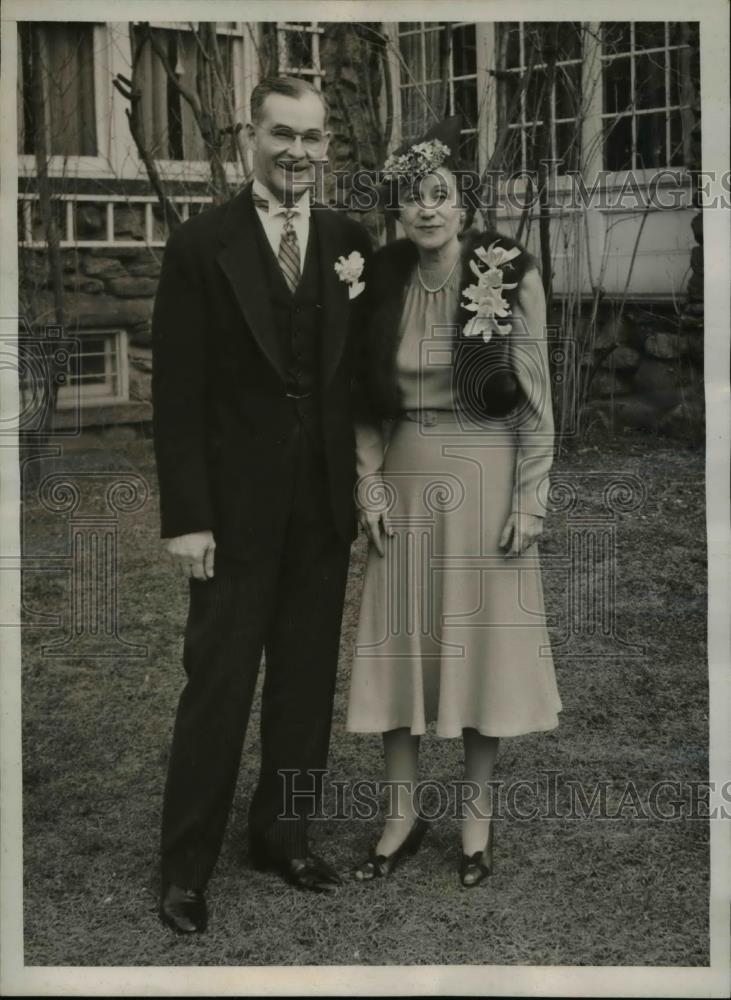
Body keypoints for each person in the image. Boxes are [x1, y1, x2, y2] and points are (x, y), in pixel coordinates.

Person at [151, 75, 371, 933]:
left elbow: (359, 376)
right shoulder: (201, 244)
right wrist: (188, 518)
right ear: (250, 136)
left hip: (320, 504)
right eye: (284, 134)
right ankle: (184, 869)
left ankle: (283, 836)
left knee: (305, 682)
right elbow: (176, 394)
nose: (299, 154)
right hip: (231, 514)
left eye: (314, 139)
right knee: (218, 683)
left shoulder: (350, 242)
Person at [346, 117, 562, 887]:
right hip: (405, 477)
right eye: (412, 198)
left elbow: (535, 400)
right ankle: (401, 817)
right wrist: (367, 481)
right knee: (400, 650)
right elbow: (364, 401)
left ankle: (476, 824)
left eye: (441, 195)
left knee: (479, 656)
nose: (427, 210)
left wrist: (529, 501)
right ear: (397, 210)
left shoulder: (509, 271)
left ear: (465, 204)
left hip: (484, 474)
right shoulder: (380, 277)